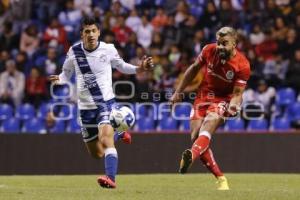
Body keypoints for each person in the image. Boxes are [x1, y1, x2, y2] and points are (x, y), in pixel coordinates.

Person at [49, 17, 153, 189]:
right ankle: (119, 133)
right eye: (86, 31)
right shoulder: (74, 51)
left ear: (98, 32)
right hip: (85, 109)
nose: (90, 34)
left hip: (105, 103)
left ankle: (110, 178)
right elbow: (66, 73)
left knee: (105, 139)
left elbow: (121, 66)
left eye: (93, 31)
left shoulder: (108, 49)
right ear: (81, 35)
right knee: (96, 153)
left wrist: (139, 68)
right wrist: (60, 79)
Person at [170, 27, 251, 190]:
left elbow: (237, 93)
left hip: (222, 99)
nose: (220, 47)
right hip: (203, 96)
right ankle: (221, 178)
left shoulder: (242, 65)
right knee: (195, 137)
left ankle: (191, 155)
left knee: (207, 127)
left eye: (225, 43)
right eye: (218, 43)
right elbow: (193, 69)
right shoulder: (208, 50)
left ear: (234, 43)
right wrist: (178, 91)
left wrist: (234, 106)